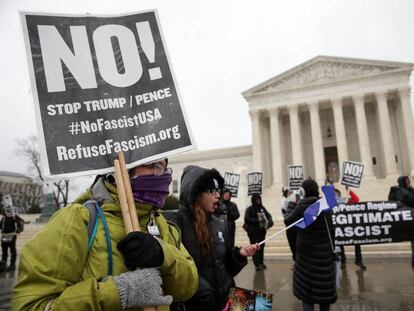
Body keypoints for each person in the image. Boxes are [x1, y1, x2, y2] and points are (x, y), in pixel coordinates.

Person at [12, 159, 198, 311]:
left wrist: (163, 256)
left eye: (165, 166)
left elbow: (188, 288)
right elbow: (31, 305)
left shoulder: (162, 225)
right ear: (126, 166)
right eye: (154, 166)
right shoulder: (77, 220)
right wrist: (118, 292)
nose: (163, 174)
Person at [176, 165, 259, 311]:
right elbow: (173, 272)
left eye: (218, 191)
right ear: (195, 193)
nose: (218, 195)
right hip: (198, 305)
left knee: (260, 306)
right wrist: (197, 286)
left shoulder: (219, 223)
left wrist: (239, 255)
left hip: (227, 299)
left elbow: (226, 268)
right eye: (211, 191)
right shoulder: (177, 225)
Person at [284, 179, 337, 311]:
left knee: (308, 299)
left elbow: (288, 222)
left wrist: (293, 203)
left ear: (302, 191)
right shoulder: (325, 207)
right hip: (324, 259)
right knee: (324, 297)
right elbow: (332, 230)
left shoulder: (303, 206)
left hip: (306, 261)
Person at [335, 187, 366, 270]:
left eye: (336, 193)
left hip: (350, 227)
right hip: (340, 227)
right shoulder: (331, 204)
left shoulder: (346, 201)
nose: (335, 195)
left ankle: (358, 260)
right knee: (340, 245)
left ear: (339, 195)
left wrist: (349, 190)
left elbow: (356, 199)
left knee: (357, 242)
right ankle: (343, 261)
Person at [388, 176, 414, 267]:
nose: (408, 182)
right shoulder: (399, 191)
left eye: (408, 180)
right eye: (406, 181)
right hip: (409, 220)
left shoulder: (410, 189)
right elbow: (409, 200)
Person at [243, 194, 273, 271]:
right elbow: (247, 218)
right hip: (253, 232)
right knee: (255, 248)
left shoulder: (262, 208)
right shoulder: (249, 209)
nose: (258, 201)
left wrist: (269, 222)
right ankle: (257, 264)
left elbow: (268, 215)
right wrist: (257, 220)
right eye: (256, 199)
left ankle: (261, 262)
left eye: (259, 199)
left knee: (261, 247)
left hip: (261, 232)